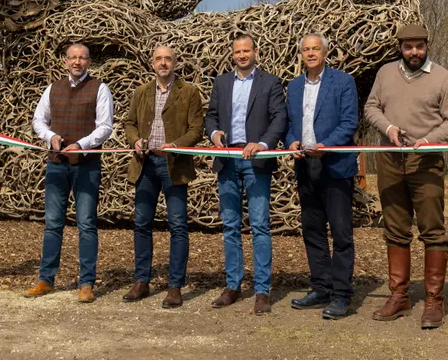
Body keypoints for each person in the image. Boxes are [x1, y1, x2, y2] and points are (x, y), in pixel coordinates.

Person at [364, 24, 448, 329]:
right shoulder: (385, 74)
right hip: (390, 160)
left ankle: (434, 299)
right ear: (400, 49)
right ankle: (400, 296)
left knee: (433, 229)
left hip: (426, 161)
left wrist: (431, 139)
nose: (414, 52)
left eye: (419, 47)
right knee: (395, 228)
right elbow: (371, 107)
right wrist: (388, 128)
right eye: (408, 47)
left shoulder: (443, 77)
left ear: (426, 46)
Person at [23, 43, 114, 303]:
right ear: (65, 61)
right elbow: (38, 120)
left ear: (89, 61)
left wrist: (82, 144)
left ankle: (86, 283)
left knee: (86, 223)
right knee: (52, 224)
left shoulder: (100, 88)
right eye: (73, 58)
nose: (77, 62)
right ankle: (46, 279)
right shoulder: (53, 88)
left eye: (82, 58)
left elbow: (105, 126)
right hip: (56, 163)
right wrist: (50, 136)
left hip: (86, 164)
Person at [205, 33, 288, 315]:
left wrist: (263, 143)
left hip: (257, 162)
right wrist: (215, 132)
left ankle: (262, 290)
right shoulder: (222, 82)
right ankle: (233, 286)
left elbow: (279, 117)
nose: (242, 55)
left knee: (260, 225)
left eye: (246, 51)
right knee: (230, 225)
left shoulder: (270, 82)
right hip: (228, 160)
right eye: (237, 52)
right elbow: (211, 115)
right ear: (233, 54)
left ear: (255, 52)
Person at [122, 45, 205, 308]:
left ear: (175, 63)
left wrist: (175, 145)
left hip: (174, 165)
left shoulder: (189, 92)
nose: (163, 63)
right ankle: (141, 281)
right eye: (159, 59)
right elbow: (129, 123)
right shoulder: (141, 92)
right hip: (145, 164)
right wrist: (135, 141)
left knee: (178, 226)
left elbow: (196, 130)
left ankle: (175, 286)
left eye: (168, 59)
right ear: (151, 63)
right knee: (142, 224)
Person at [286, 33, 360, 320]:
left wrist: (325, 146)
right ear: (301, 55)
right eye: (306, 49)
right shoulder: (293, 87)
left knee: (341, 233)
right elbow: (291, 124)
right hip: (305, 166)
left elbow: (349, 122)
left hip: (335, 166)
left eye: (316, 49)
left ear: (325, 53)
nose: (311, 53)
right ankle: (321, 287)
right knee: (313, 230)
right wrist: (292, 140)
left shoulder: (343, 82)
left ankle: (341, 295)